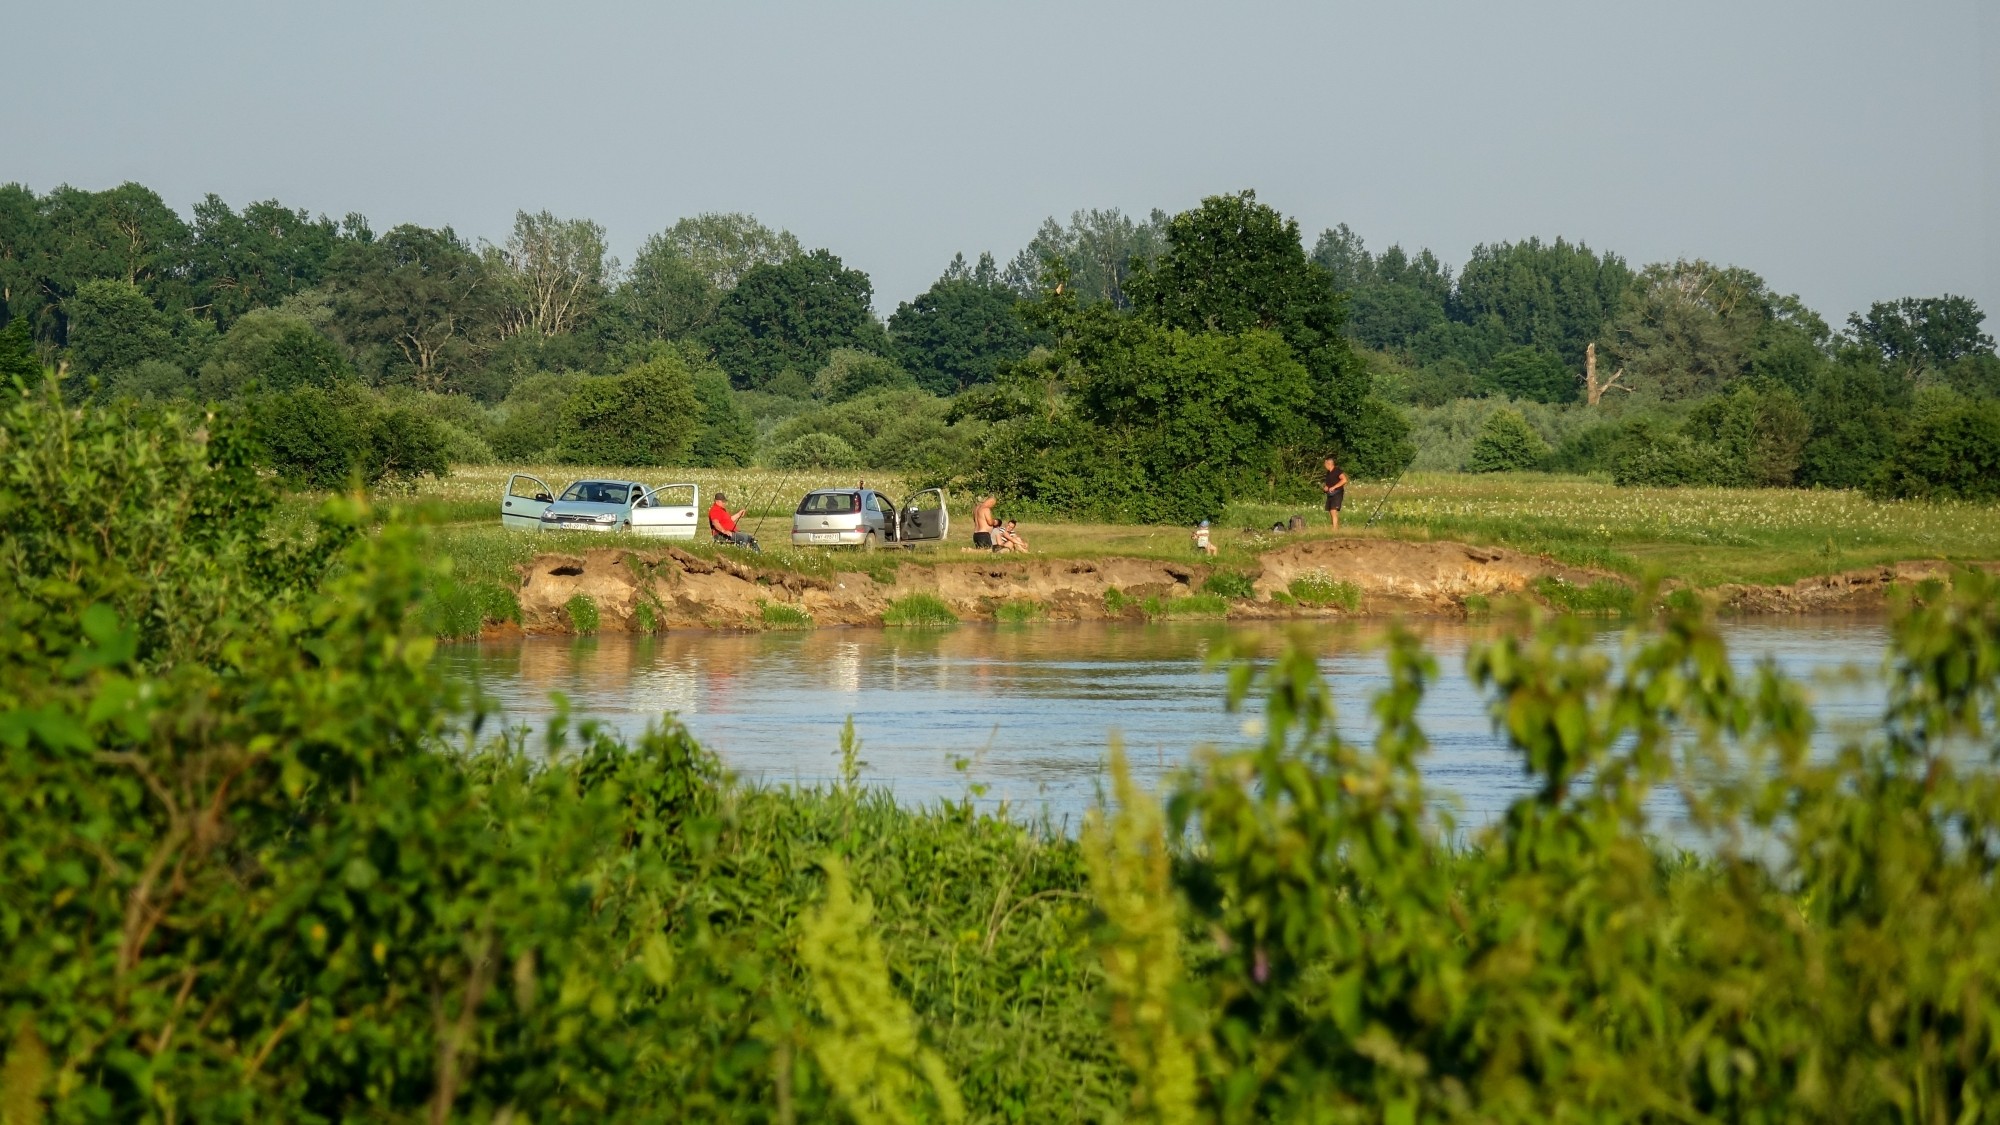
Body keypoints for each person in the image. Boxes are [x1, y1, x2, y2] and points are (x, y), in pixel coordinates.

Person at [1322, 456, 1349, 530]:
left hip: (1337, 493)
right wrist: (1326, 487)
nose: (1324, 465)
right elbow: (1329, 484)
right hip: (1330, 494)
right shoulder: (1328, 473)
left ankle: (1334, 530)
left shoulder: (1337, 470)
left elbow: (1344, 480)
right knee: (1331, 511)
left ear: (1329, 463)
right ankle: (1336, 528)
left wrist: (1334, 487)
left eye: (1325, 464)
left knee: (1333, 510)